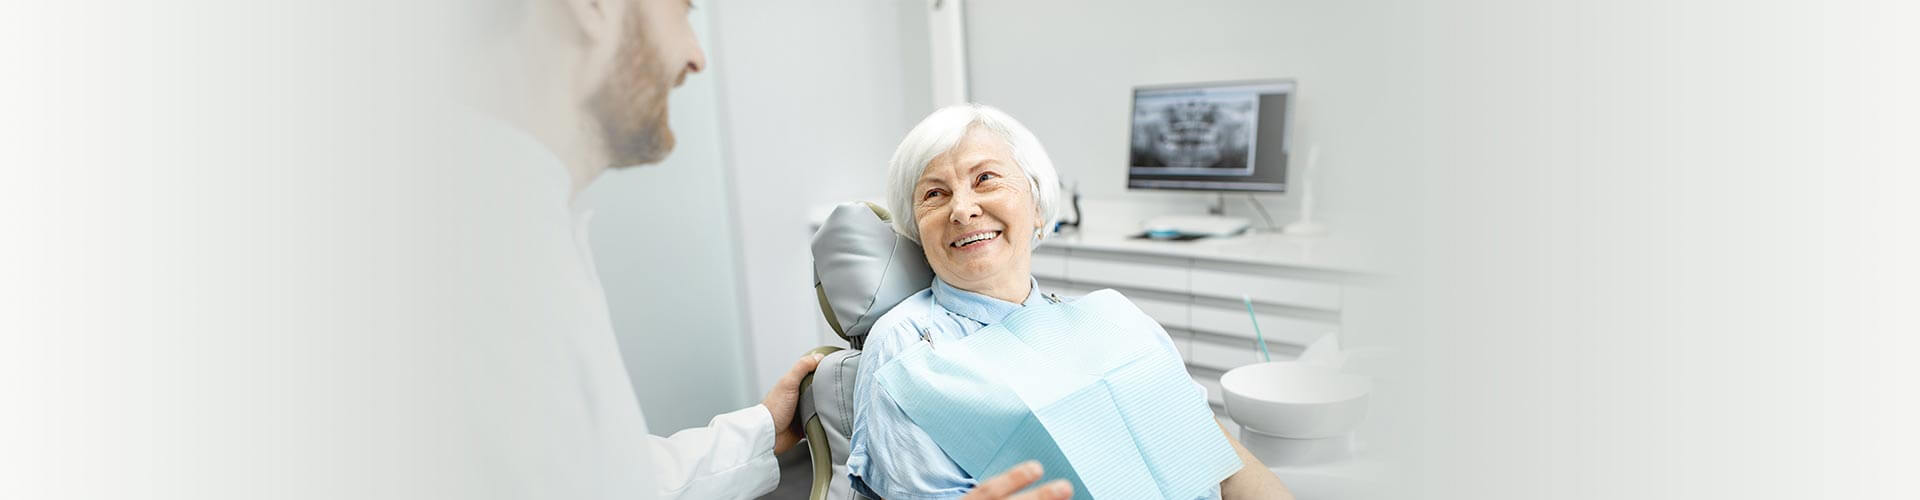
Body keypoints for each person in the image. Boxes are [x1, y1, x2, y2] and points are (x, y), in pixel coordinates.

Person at [453, 1, 1072, 499]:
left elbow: (592, 475)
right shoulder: (465, 255)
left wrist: (757, 431)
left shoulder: (1098, 321)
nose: (696, 56)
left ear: (1039, 205)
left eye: (987, 179)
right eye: (684, 10)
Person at [846, 104, 1294, 499]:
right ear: (917, 229)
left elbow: (1219, 458)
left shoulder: (1113, 316)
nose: (962, 209)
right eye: (934, 194)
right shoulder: (908, 348)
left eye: (985, 179)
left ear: (1038, 205)